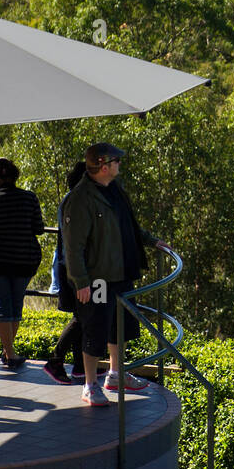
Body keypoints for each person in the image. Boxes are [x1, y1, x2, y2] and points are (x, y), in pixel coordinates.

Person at [63, 142, 167, 406]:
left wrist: (152, 241)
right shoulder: (81, 198)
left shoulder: (115, 190)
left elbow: (128, 225)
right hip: (97, 278)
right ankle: (89, 385)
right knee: (95, 328)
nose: (120, 165)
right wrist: (81, 282)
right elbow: (73, 246)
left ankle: (116, 374)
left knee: (121, 327)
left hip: (121, 272)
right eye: (117, 161)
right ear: (104, 166)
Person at [0, 158, 44, 370]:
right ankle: (9, 352)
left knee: (2, 306)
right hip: (25, 260)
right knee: (16, 305)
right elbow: (38, 228)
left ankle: (9, 352)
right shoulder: (29, 198)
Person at [42, 160, 88, 385]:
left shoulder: (72, 199)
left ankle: (79, 366)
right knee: (82, 316)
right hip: (72, 268)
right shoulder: (74, 202)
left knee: (82, 314)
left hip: (69, 266)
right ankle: (55, 360)